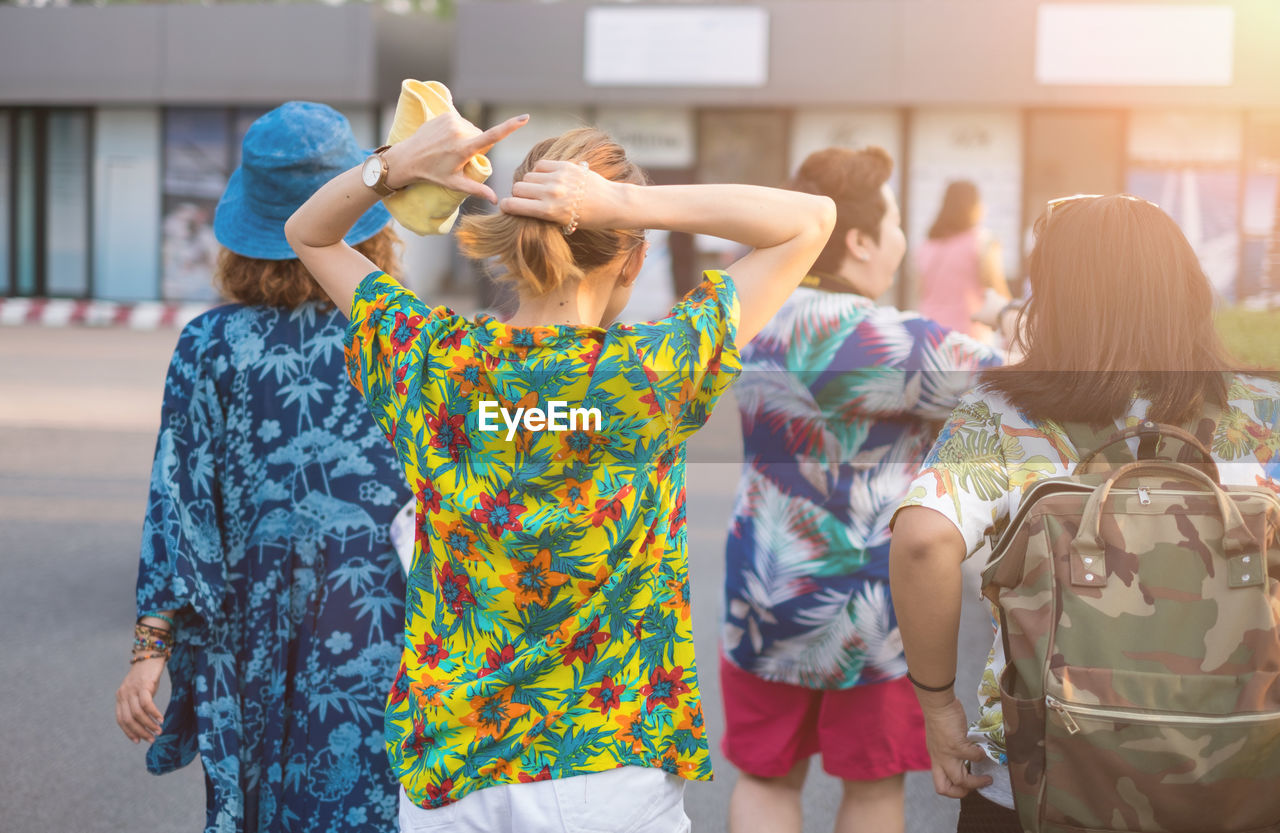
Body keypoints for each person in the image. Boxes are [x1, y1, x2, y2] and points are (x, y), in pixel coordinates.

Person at [284, 111, 835, 832]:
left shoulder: (433, 358)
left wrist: (395, 166)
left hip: (455, 760)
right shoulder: (651, 369)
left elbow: (308, 233)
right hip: (604, 760)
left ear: (514, 243)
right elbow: (809, 221)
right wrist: (630, 207)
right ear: (632, 259)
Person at [888, 194, 1280, 831]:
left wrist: (939, 707)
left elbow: (923, 542)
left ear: (1056, 300)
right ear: (1188, 289)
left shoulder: (1006, 414)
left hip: (1039, 774)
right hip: (1242, 769)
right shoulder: (1261, 412)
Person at [114, 102, 412, 833]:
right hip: (382, 623)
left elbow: (178, 503)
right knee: (372, 799)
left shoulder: (210, 345)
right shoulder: (407, 334)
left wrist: (152, 648)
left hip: (254, 631)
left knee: (265, 803)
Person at [720, 147, 1003, 833]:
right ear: (859, 240)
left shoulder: (747, 317)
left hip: (764, 585)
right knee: (875, 790)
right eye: (896, 224)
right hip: (873, 605)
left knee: (765, 777)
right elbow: (1013, 381)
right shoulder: (895, 341)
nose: (902, 241)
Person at [914, 180, 1011, 341]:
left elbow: (921, 290)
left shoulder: (927, 245)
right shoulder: (983, 241)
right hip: (969, 339)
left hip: (929, 336)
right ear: (973, 206)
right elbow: (998, 291)